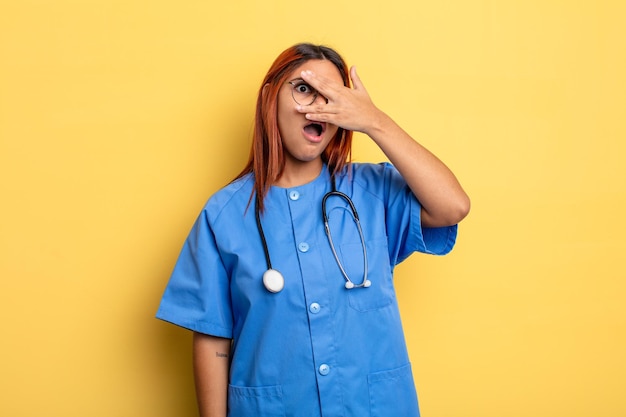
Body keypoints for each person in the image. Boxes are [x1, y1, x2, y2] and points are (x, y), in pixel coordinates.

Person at [156, 43, 470, 417]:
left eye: (333, 96)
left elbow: (453, 207)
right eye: (304, 88)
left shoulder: (372, 193)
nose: (318, 106)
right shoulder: (223, 215)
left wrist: (374, 120)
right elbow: (212, 338)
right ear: (270, 96)